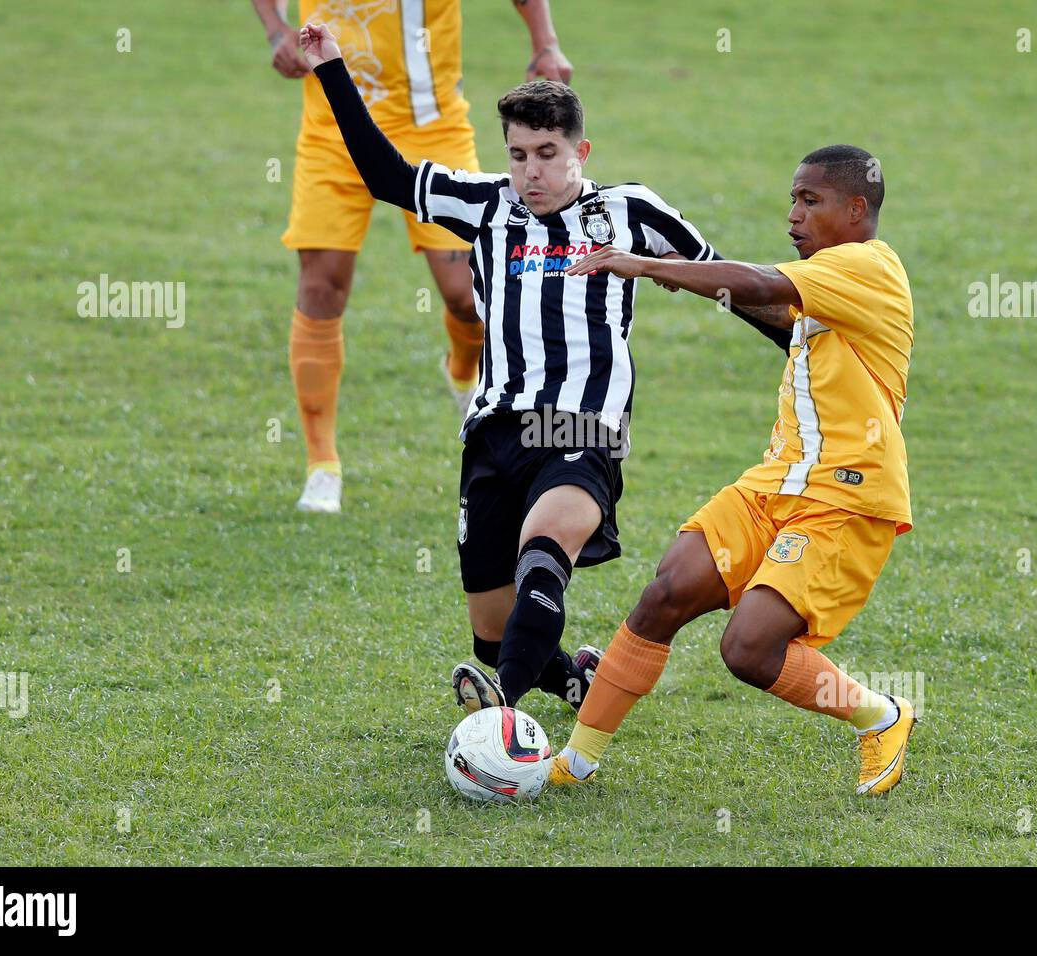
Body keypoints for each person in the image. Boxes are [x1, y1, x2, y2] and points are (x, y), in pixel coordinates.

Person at [295, 23, 791, 715]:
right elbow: (387, 177)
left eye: (548, 154)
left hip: (580, 428)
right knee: (494, 635)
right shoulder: (488, 205)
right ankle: (567, 678)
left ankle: (502, 712)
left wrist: (808, 346)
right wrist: (330, 68)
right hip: (493, 434)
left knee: (544, 551)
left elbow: (726, 284)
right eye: (519, 154)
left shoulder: (628, 211)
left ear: (580, 151)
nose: (531, 170)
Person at [551, 145, 918, 795]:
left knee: (749, 649)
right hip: (776, 482)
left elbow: (760, 284)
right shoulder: (833, 280)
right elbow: (774, 310)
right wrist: (683, 274)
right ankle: (573, 763)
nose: (792, 216)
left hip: (844, 497)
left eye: (810, 201)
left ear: (857, 209)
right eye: (792, 199)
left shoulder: (868, 265)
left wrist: (642, 265)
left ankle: (881, 716)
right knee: (666, 593)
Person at [250, 0, 574, 513]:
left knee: (468, 296)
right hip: (332, 126)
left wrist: (545, 42)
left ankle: (463, 373)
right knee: (321, 285)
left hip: (432, 128)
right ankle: (322, 465)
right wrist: (274, 30)